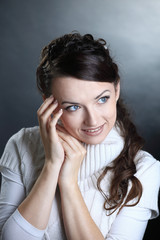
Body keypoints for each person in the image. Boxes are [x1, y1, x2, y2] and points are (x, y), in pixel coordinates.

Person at [0, 32, 160, 240]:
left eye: (102, 99)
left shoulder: (144, 169)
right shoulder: (21, 145)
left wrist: (68, 182)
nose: (92, 121)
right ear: (48, 103)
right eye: (73, 106)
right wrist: (52, 165)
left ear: (117, 89)